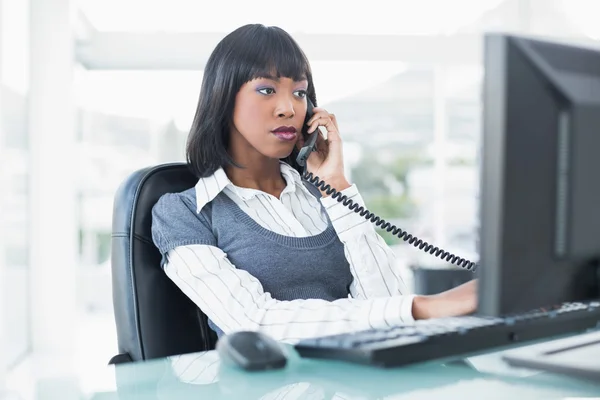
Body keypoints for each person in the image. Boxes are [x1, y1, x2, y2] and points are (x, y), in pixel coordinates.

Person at [151, 23, 477, 344]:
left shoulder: (324, 196)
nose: (288, 108)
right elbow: (254, 323)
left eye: (300, 92)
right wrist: (421, 307)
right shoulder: (184, 213)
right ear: (223, 97)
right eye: (267, 89)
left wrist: (336, 186)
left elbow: (387, 302)